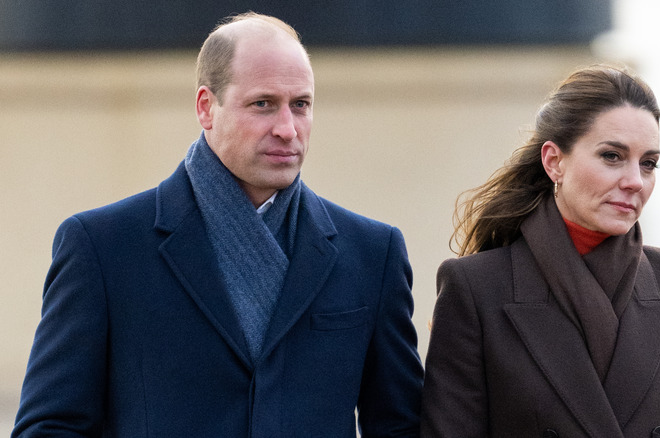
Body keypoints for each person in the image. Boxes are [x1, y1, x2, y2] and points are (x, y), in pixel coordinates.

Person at [13, 12, 423, 437]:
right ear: (206, 108)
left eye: (300, 105)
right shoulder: (102, 247)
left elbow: (400, 426)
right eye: (263, 104)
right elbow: (50, 426)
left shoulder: (374, 254)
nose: (287, 129)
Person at [420, 65, 660, 437]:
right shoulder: (476, 287)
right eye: (612, 156)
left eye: (648, 163)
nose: (634, 181)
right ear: (554, 162)